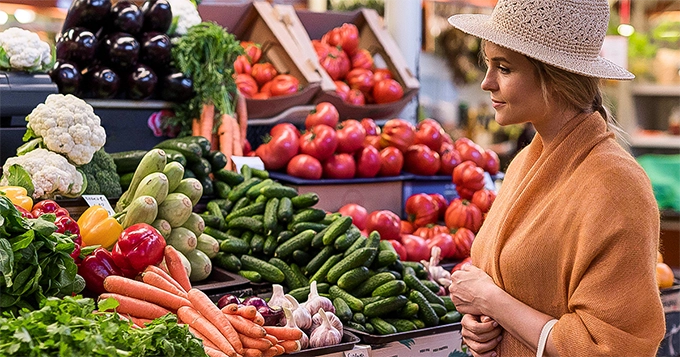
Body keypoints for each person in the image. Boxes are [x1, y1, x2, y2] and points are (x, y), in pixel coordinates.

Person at [446, 0, 666, 356]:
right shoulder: (525, 164)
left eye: (504, 68)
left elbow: (613, 347)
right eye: (489, 65)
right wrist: (481, 322)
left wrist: (492, 300)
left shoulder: (617, 187)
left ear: (556, 79)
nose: (487, 83)